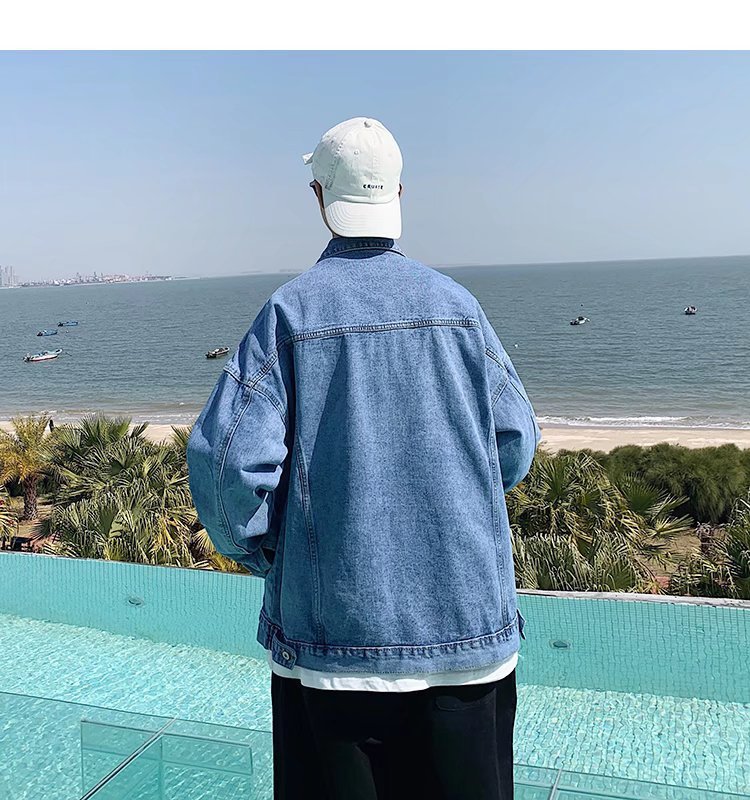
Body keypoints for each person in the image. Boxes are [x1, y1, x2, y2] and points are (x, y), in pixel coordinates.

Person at [187, 117, 540, 800]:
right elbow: (515, 443)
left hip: (333, 653)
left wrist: (266, 554)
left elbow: (225, 464)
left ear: (319, 195)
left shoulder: (289, 314)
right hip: (469, 641)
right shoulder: (460, 309)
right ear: (399, 192)